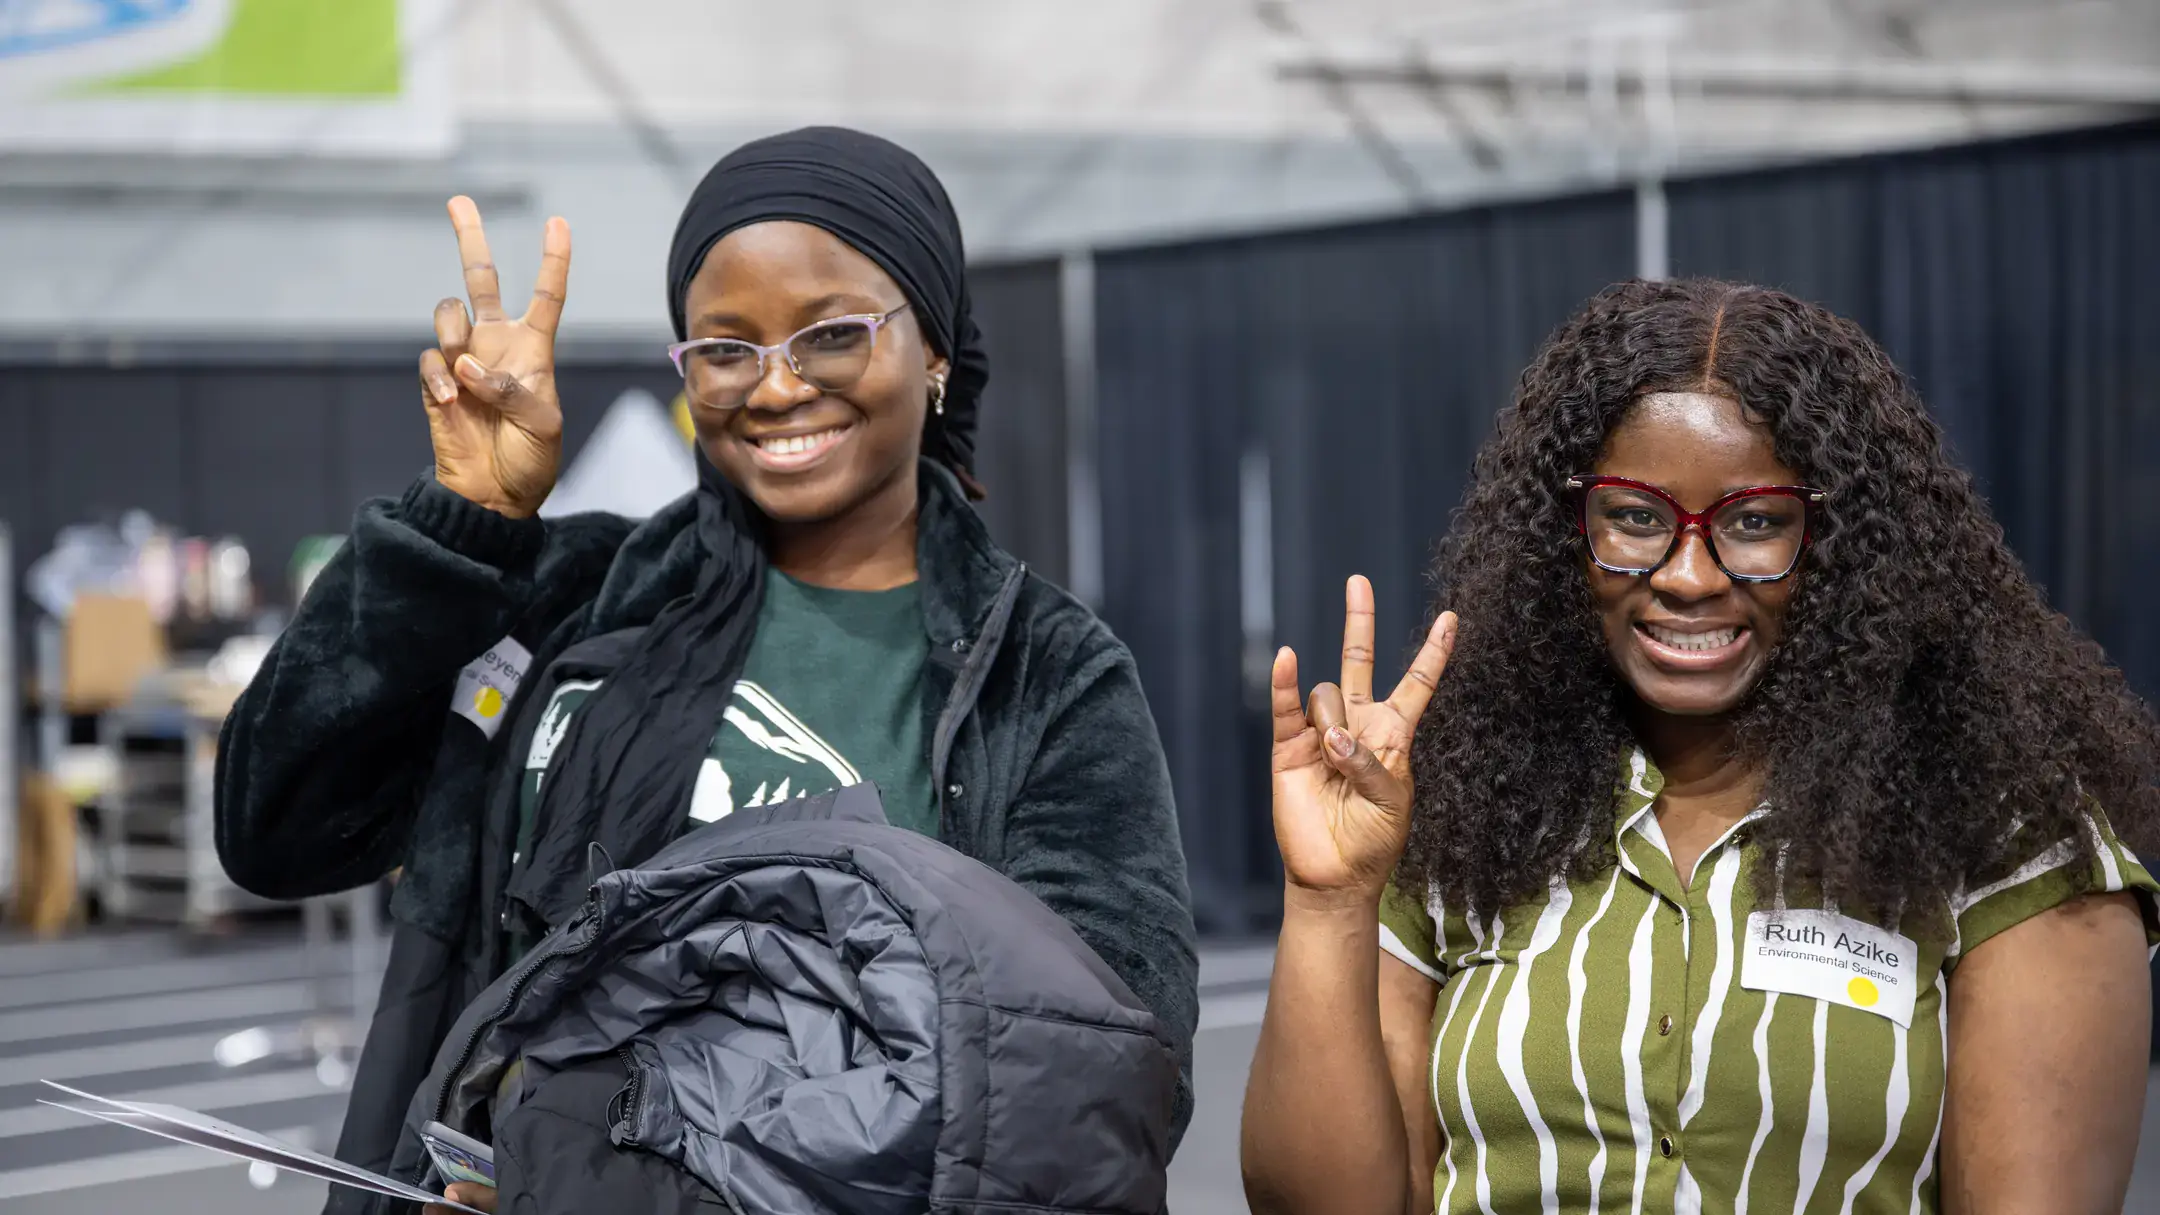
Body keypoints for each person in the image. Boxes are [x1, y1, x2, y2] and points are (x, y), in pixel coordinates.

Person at [215, 128, 1198, 1213]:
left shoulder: (1045, 675)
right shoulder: (578, 598)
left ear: (932, 350)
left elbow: (1098, 1072)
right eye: (726, 348)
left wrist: (594, 1169)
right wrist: (467, 524)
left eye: (830, 334)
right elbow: (282, 824)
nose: (775, 389)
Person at [1240, 279, 2160, 1214]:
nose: (1687, 575)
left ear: (1840, 543)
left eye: (1755, 523)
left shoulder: (2005, 835)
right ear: (1570, 533)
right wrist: (1330, 901)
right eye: (1636, 516)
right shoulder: (1457, 817)